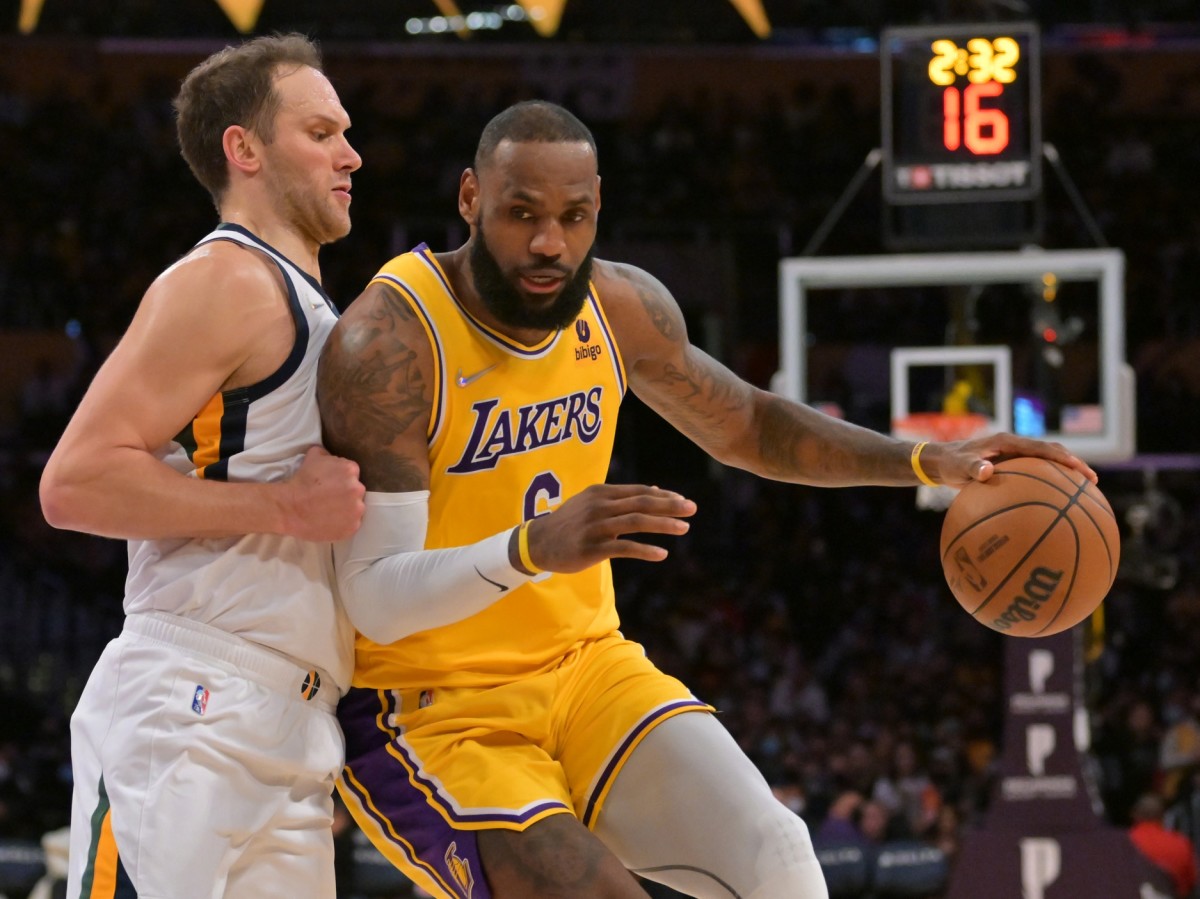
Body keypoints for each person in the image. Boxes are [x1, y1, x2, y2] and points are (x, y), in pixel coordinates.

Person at [317, 99, 1096, 899]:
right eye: (522, 214)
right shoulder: (391, 343)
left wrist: (932, 460)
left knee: (779, 853)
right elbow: (374, 601)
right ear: (471, 198)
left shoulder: (618, 308)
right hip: (429, 709)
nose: (550, 242)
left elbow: (750, 423)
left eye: (574, 216)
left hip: (585, 668)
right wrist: (532, 548)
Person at [38, 34, 365, 898]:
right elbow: (75, 482)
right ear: (244, 148)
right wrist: (288, 508)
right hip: (193, 700)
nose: (351, 153)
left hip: (293, 722)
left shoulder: (307, 301)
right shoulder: (226, 279)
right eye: (322, 131)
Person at [1129, 792, 1199, 898]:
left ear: (1135, 815)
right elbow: (1191, 884)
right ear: (1162, 816)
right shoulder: (1181, 843)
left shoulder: (1122, 843)